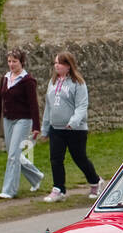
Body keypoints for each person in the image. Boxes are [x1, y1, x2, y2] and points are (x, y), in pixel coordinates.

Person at [39, 51, 103, 202]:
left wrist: (73, 122)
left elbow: (82, 105)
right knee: (55, 159)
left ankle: (95, 181)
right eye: (55, 63)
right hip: (56, 128)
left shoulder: (78, 83)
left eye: (59, 63)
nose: (56, 66)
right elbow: (48, 107)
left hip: (75, 129)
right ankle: (59, 189)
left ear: (68, 66)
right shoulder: (52, 82)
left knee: (79, 158)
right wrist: (45, 128)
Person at [0, 49, 44, 199]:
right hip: (7, 119)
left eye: (15, 61)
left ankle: (9, 190)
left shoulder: (28, 81)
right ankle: (36, 176)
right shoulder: (5, 78)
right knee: (14, 154)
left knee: (13, 156)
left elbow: (34, 105)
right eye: (9, 61)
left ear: (21, 62)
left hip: (23, 120)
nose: (11, 64)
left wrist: (36, 127)